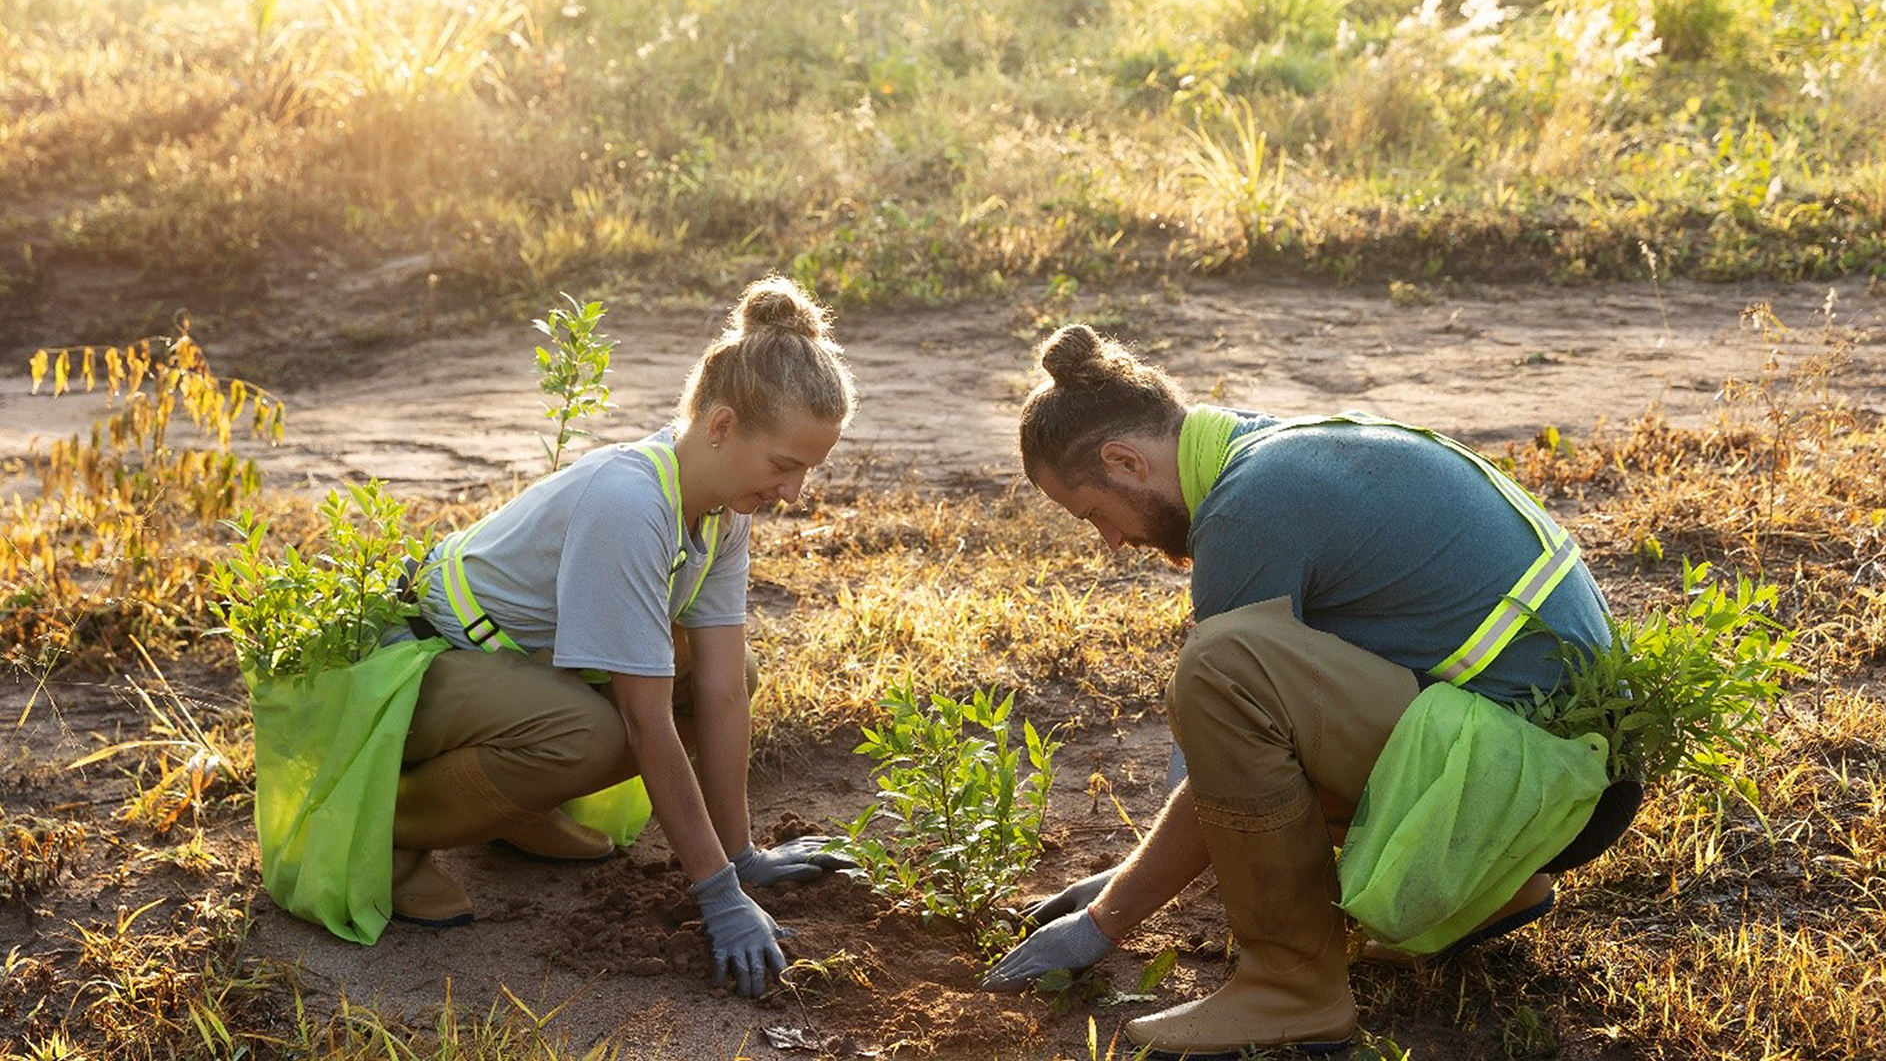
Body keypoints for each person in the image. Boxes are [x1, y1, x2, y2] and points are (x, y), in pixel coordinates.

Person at [981, 324, 1627, 1056]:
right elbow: (1230, 766)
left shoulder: (1248, 508)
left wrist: (1106, 918)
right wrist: (1129, 875)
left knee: (1221, 669)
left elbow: (1229, 747)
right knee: (1232, 690)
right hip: (1569, 772)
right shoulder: (1275, 451)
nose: (1112, 542)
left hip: (1542, 786)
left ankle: (1291, 990)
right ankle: (1498, 889)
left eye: (1095, 513)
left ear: (1125, 461)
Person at [386, 276, 856, 999]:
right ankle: (389, 836)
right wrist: (716, 894)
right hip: (420, 660)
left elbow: (724, 690)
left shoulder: (720, 514)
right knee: (594, 734)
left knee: (724, 674)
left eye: (807, 471)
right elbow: (644, 721)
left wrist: (742, 856)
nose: (792, 493)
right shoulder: (629, 502)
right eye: (784, 465)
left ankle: (510, 810)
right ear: (723, 426)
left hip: (510, 667)